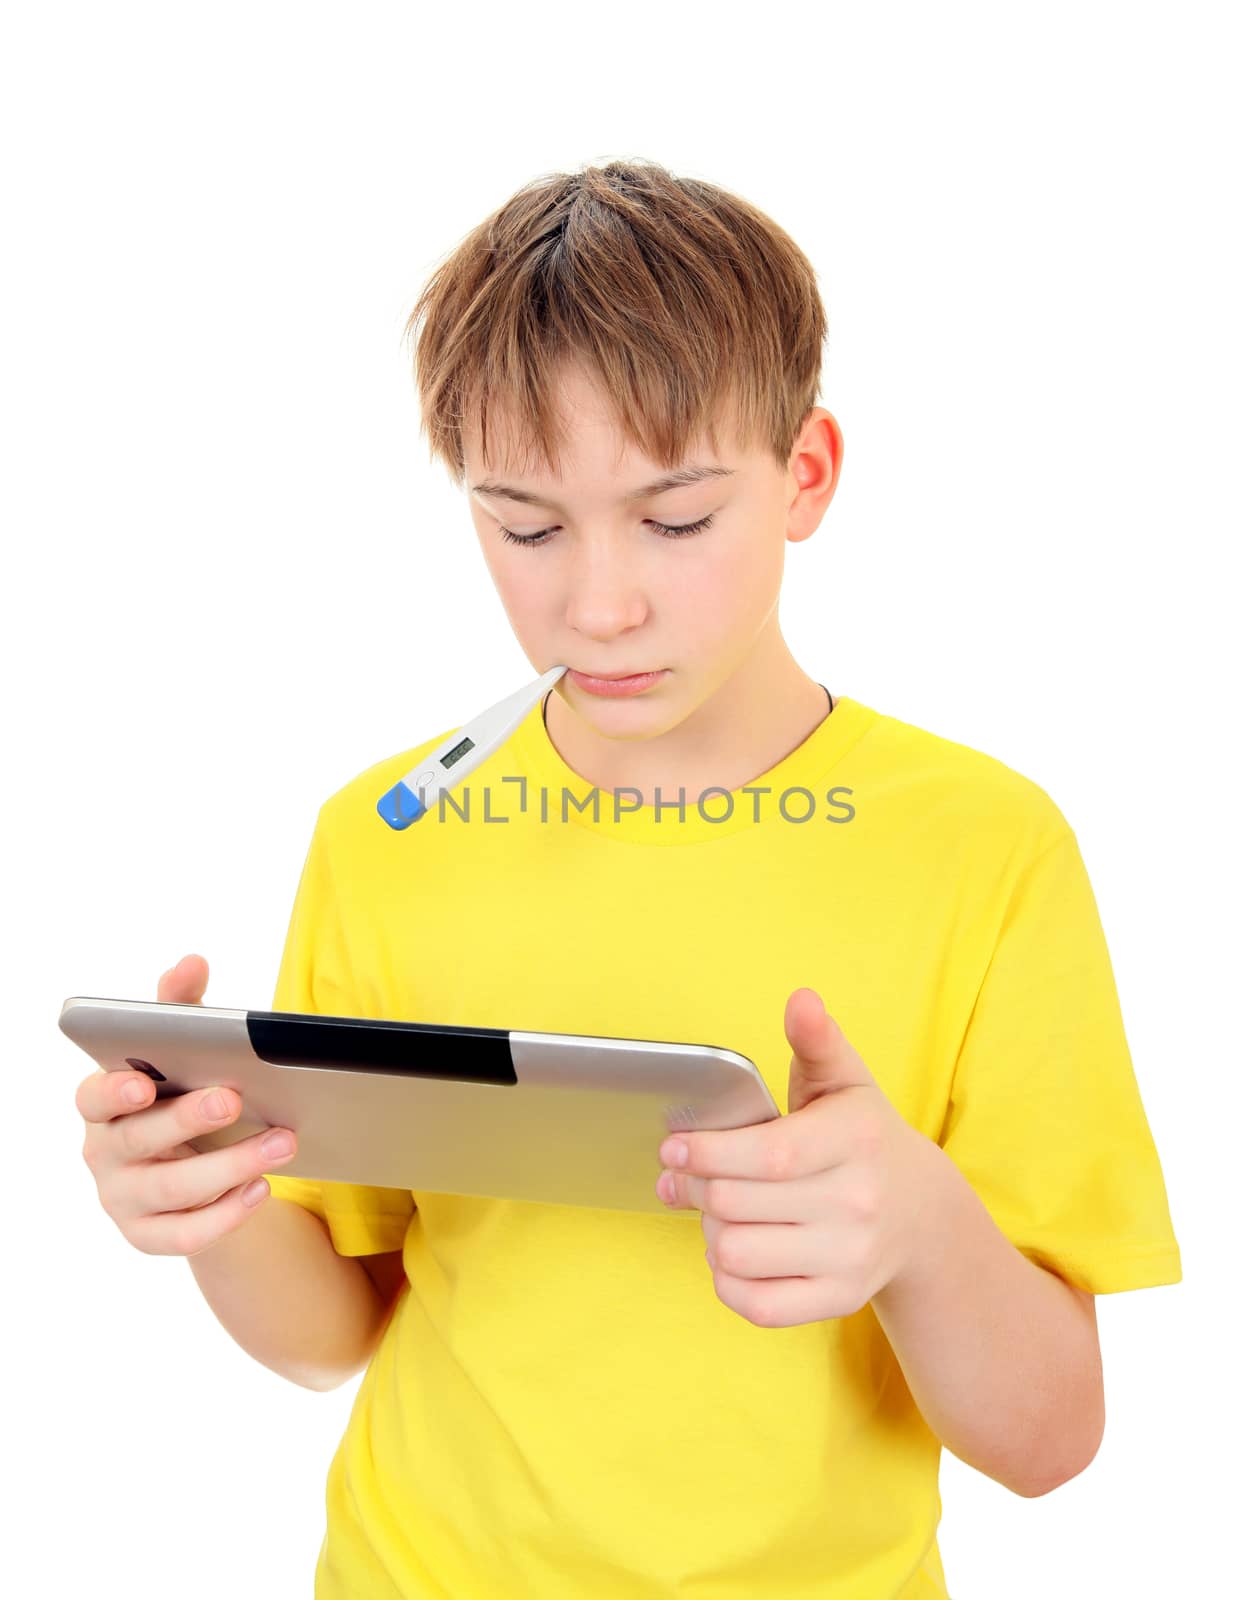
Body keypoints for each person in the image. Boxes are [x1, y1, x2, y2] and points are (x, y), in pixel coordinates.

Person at [75, 158, 1182, 1599]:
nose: (595, 604)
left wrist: (913, 1220)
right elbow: (333, 1332)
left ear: (805, 476)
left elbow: (1048, 1442)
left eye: (673, 519)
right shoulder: (387, 834)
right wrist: (211, 1206)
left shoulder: (984, 845)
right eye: (524, 525)